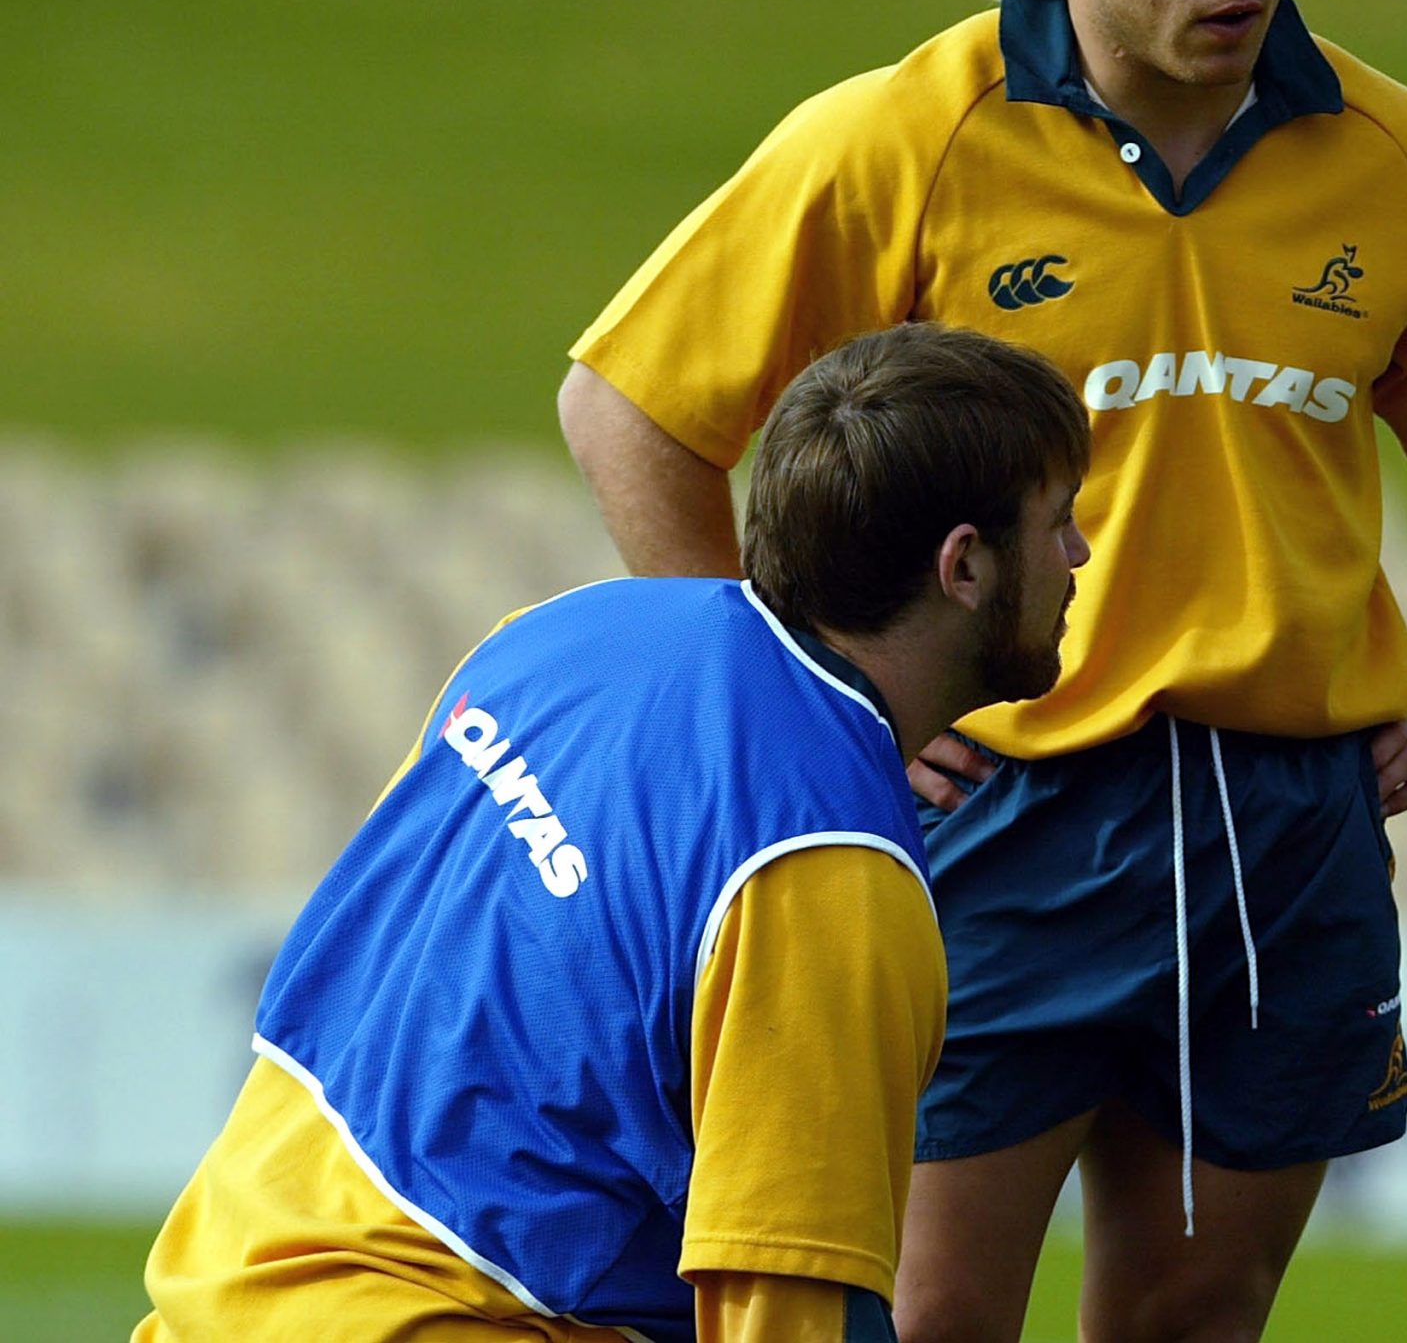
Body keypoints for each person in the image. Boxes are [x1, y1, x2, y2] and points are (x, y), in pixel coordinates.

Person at [555, 0, 1407, 1343]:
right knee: (922, 1314)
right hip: (997, 810)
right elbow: (629, 411)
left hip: (1285, 828)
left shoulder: (1404, 160)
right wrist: (800, 713)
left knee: (1197, 1315)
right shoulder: (907, 135)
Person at [137, 322, 1093, 1343]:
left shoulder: (564, 634)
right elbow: (791, 1313)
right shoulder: (826, 873)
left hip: (219, 1287)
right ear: (964, 567)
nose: (1079, 553)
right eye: (1056, 520)